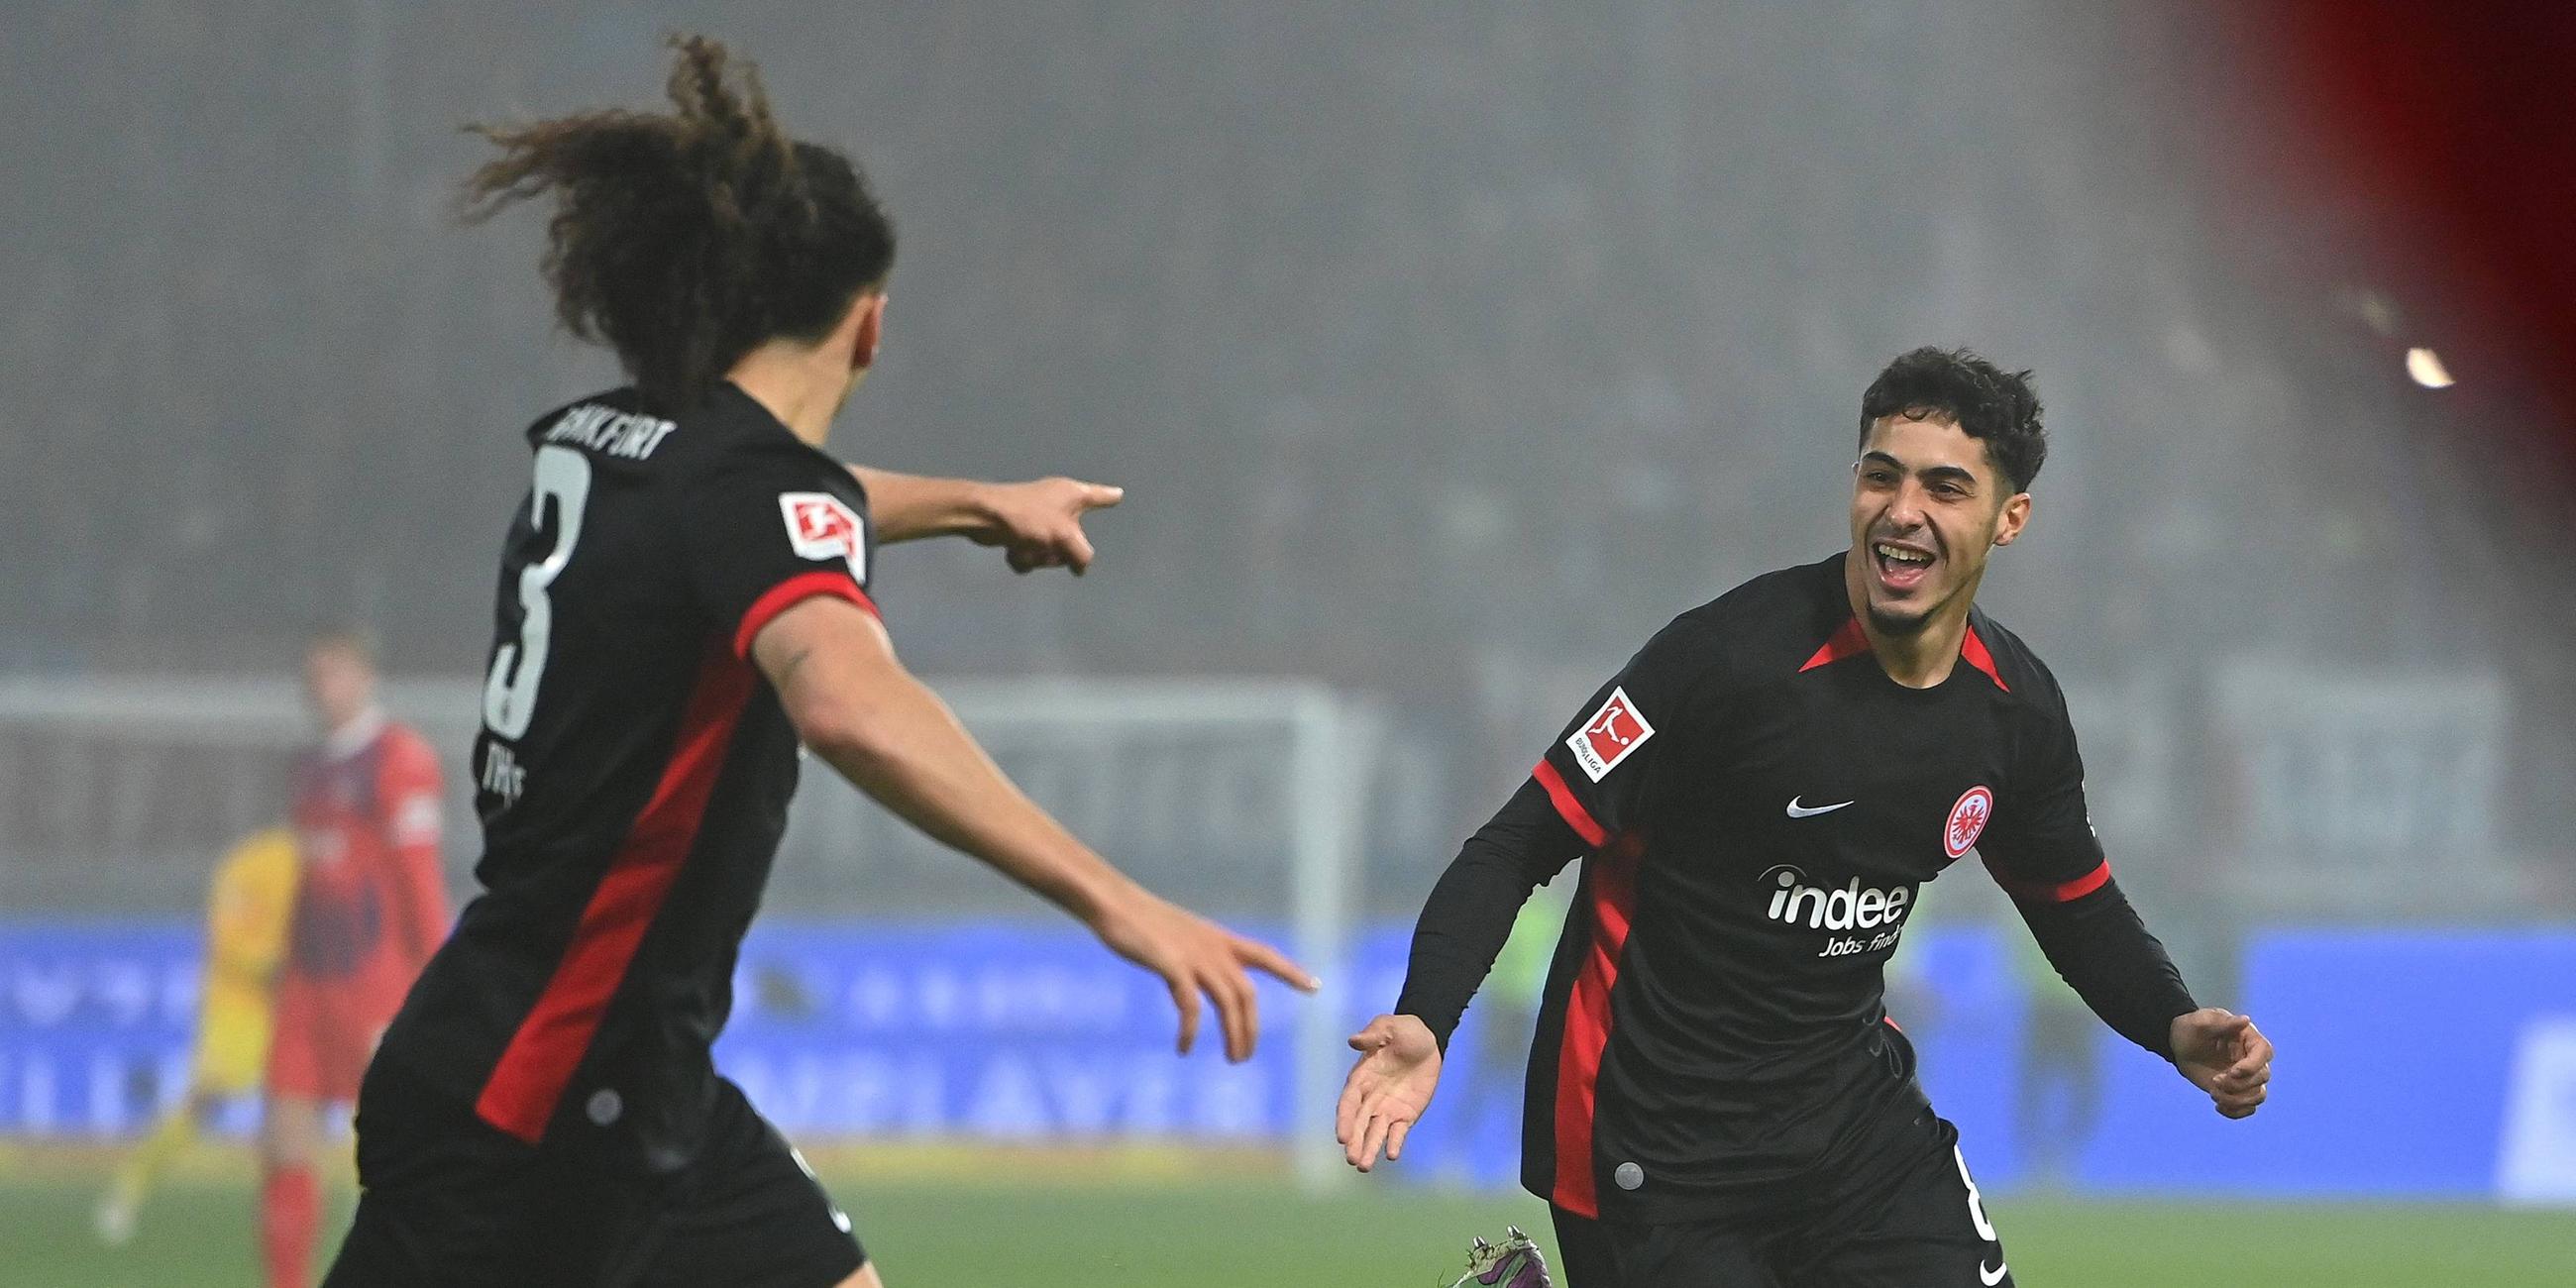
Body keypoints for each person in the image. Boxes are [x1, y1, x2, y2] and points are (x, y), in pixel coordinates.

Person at [322, 36, 1310, 1288]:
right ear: (870, 326)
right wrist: (1117, 901)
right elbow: (847, 703)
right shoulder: (747, 490)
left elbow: (788, 503)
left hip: (600, 1072)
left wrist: (973, 502)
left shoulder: (607, 441)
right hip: (546, 1104)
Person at [1337, 348, 2275, 1287]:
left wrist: (2173, 1023)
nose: (1903, 511)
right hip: (1656, 1143)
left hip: (1853, 1136)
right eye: (1882, 476)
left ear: (2007, 520)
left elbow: (2074, 900)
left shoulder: (2014, 712)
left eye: (1946, 488)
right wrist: (1426, 1018)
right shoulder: (1725, 661)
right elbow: (1517, 842)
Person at [267, 629, 450, 1288]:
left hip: (376, 982)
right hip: (306, 984)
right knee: (283, 1139)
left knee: (399, 1149)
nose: (323, 687)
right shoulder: (308, 766)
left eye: (336, 672)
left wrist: (439, 976)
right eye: (314, 674)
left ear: (366, 677)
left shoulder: (398, 759)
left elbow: (418, 875)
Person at [94, 827, 301, 1246]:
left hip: (299, 1002)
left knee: (309, 1103)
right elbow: (228, 938)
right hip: (241, 1006)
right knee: (206, 1100)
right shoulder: (250, 863)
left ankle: (302, 1205)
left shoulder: (329, 855)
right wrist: (273, 968)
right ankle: (130, 1187)